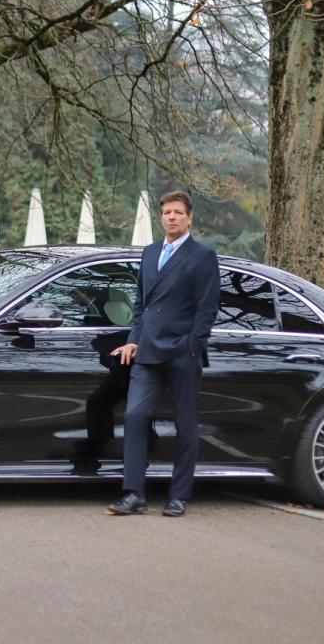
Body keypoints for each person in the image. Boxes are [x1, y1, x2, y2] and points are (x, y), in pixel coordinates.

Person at [108, 190, 220, 518]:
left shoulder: (202, 256)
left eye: (177, 212)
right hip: (148, 352)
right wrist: (133, 339)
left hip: (182, 353)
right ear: (161, 217)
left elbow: (207, 309)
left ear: (190, 217)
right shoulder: (150, 252)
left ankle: (179, 496)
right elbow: (142, 306)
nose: (171, 217)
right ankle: (133, 495)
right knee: (134, 417)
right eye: (166, 212)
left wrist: (192, 349)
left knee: (186, 425)